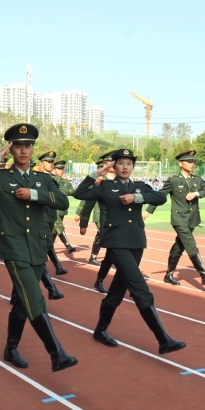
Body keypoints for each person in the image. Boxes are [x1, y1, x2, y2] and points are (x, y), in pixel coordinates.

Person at [0, 123, 77, 373]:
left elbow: (63, 202)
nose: (24, 150)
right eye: (18, 146)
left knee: (22, 301)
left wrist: (35, 195)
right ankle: (57, 354)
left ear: (33, 149)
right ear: (12, 149)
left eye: (28, 146)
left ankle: (11, 348)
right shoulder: (0, 176)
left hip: (37, 246)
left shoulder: (43, 179)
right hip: (13, 246)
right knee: (34, 297)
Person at [73, 148, 186, 355]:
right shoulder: (105, 186)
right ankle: (164, 340)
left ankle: (100, 331)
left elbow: (160, 198)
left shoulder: (139, 187)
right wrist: (96, 174)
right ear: (113, 166)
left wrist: (136, 198)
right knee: (140, 289)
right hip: (116, 243)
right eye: (121, 163)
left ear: (133, 167)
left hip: (136, 242)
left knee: (116, 292)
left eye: (129, 164)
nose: (125, 167)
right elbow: (79, 194)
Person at [144, 150, 205, 286]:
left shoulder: (197, 179)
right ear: (180, 163)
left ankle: (169, 275)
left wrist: (196, 194)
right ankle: (204, 275)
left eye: (193, 161)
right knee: (190, 244)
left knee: (179, 246)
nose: (191, 164)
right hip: (179, 219)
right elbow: (160, 196)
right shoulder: (174, 180)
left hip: (192, 219)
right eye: (188, 161)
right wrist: (148, 211)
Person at [76, 152, 114, 293]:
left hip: (120, 224)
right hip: (105, 222)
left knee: (113, 254)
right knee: (115, 252)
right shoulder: (99, 184)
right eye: (110, 163)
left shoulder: (123, 182)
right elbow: (88, 203)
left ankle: (100, 280)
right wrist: (83, 223)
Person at [36, 151, 69, 275]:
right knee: (48, 242)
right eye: (48, 162)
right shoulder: (37, 178)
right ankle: (53, 266)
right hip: (41, 215)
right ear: (42, 163)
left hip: (51, 215)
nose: (51, 164)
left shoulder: (53, 179)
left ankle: (51, 266)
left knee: (46, 243)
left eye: (52, 162)